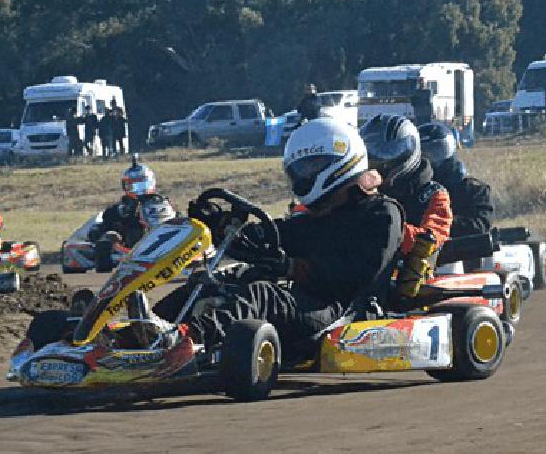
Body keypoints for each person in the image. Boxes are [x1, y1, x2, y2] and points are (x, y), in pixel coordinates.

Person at [152, 118, 405, 359]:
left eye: (310, 167)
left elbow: (360, 273)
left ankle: (187, 339)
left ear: (340, 163)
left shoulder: (382, 213)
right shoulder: (315, 217)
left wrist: (293, 268)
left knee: (262, 295)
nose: (303, 175)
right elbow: (270, 236)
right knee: (214, 282)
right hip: (302, 303)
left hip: (343, 310)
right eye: (299, 169)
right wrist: (221, 230)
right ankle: (140, 332)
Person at [359, 114, 453, 254]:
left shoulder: (433, 194)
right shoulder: (360, 190)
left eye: (388, 151)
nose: (378, 159)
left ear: (410, 150)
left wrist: (380, 227)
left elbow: (430, 240)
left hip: (412, 272)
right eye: (372, 151)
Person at [419, 122, 493, 238]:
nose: (432, 158)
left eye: (437, 152)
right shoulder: (412, 191)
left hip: (462, 252)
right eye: (426, 154)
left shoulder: (474, 190)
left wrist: (438, 223)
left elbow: (480, 226)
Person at [88, 154, 161, 248]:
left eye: (142, 184)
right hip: (129, 251)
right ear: (126, 186)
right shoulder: (117, 210)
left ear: (150, 182)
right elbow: (101, 230)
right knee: (109, 236)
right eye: (133, 185)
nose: (138, 189)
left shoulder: (161, 203)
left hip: (161, 246)